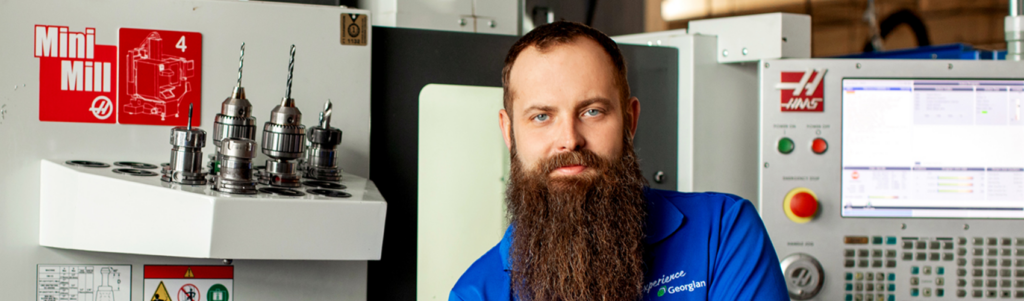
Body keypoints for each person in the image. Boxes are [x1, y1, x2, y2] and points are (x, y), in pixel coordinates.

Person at [449, 21, 789, 301]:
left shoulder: (723, 232)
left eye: (592, 111)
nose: (569, 139)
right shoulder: (475, 293)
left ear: (630, 119)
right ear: (509, 132)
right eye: (541, 117)